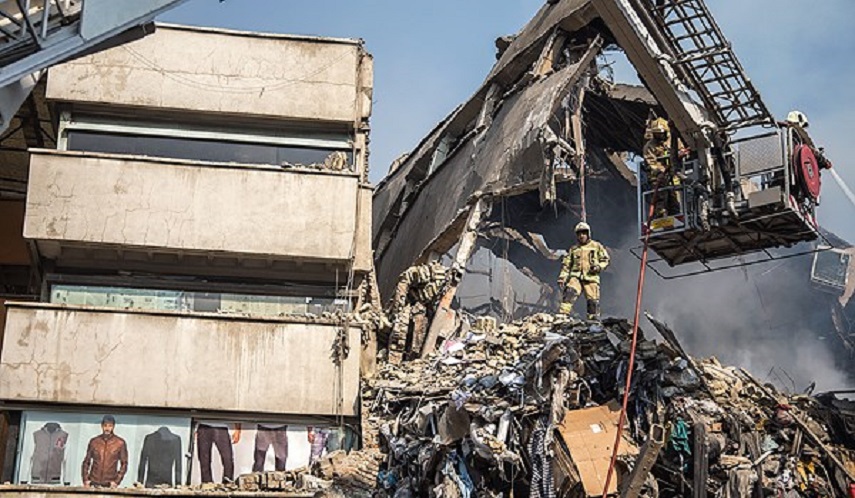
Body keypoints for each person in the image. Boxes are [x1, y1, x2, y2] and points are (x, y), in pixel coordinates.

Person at [557, 222, 610, 320]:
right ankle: (562, 317)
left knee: (592, 302)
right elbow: (566, 265)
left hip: (591, 278)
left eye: (584, 233)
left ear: (588, 234)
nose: (581, 236)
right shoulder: (573, 249)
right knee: (569, 293)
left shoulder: (596, 246)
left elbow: (605, 260)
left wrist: (598, 267)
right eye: (579, 234)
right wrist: (562, 277)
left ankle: (593, 323)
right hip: (576, 277)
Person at [642, 117, 685, 217]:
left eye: (660, 133)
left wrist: (681, 153)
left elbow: (683, 151)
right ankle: (662, 216)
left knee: (676, 199)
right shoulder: (650, 146)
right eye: (656, 133)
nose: (659, 135)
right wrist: (662, 171)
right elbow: (651, 163)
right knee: (661, 200)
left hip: (674, 177)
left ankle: (677, 215)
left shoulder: (674, 141)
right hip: (658, 179)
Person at [82, 415, 128, 488]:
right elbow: (86, 461)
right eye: (105, 425)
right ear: (102, 426)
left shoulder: (119, 443)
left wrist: (117, 481)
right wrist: (85, 479)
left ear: (113, 427)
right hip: (93, 482)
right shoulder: (94, 442)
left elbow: (124, 464)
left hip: (110, 483)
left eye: (110, 426)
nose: (107, 428)